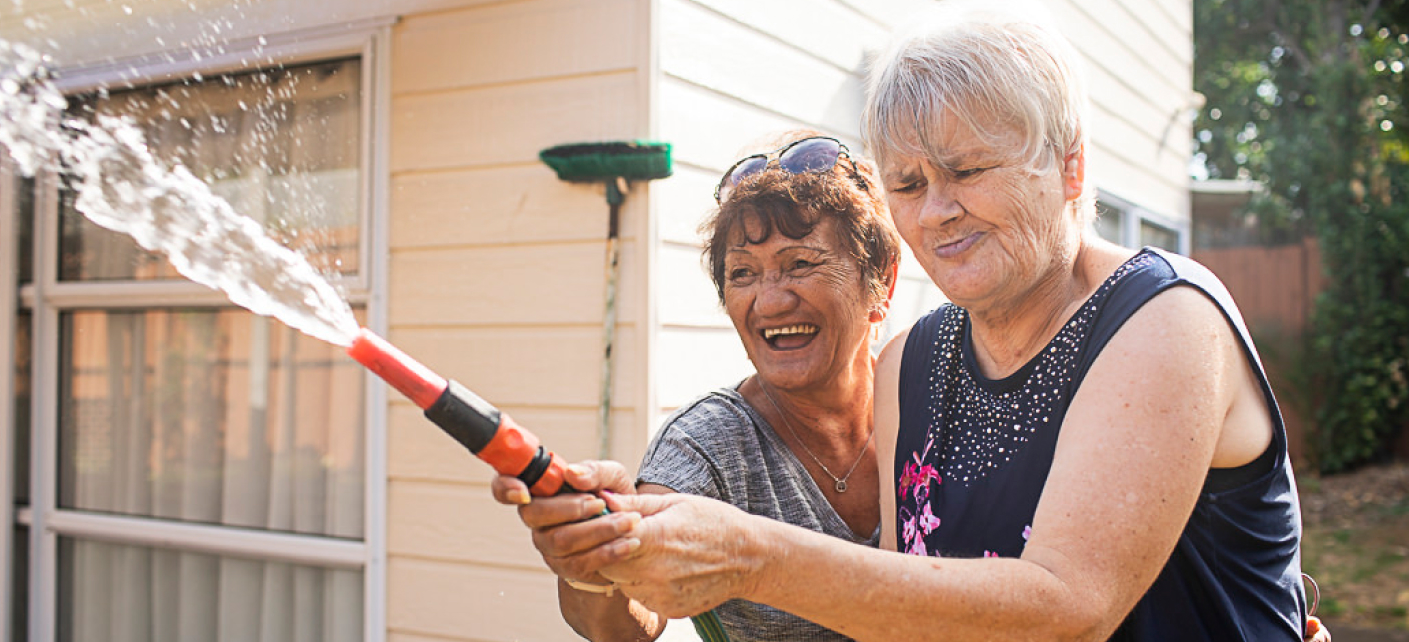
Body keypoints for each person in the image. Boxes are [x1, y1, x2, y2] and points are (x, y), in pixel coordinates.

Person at [496, 2, 1333, 641]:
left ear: (1070, 166)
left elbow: (1070, 609)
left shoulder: (1162, 320)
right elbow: (912, 609)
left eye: (968, 169)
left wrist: (753, 555)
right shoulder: (916, 362)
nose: (936, 212)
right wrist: (607, 559)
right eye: (906, 183)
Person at [494, 130, 900, 640]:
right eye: (743, 274)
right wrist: (596, 562)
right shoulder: (709, 441)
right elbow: (627, 622)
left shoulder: (930, 395)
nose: (770, 302)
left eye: (800, 264)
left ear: (881, 277)